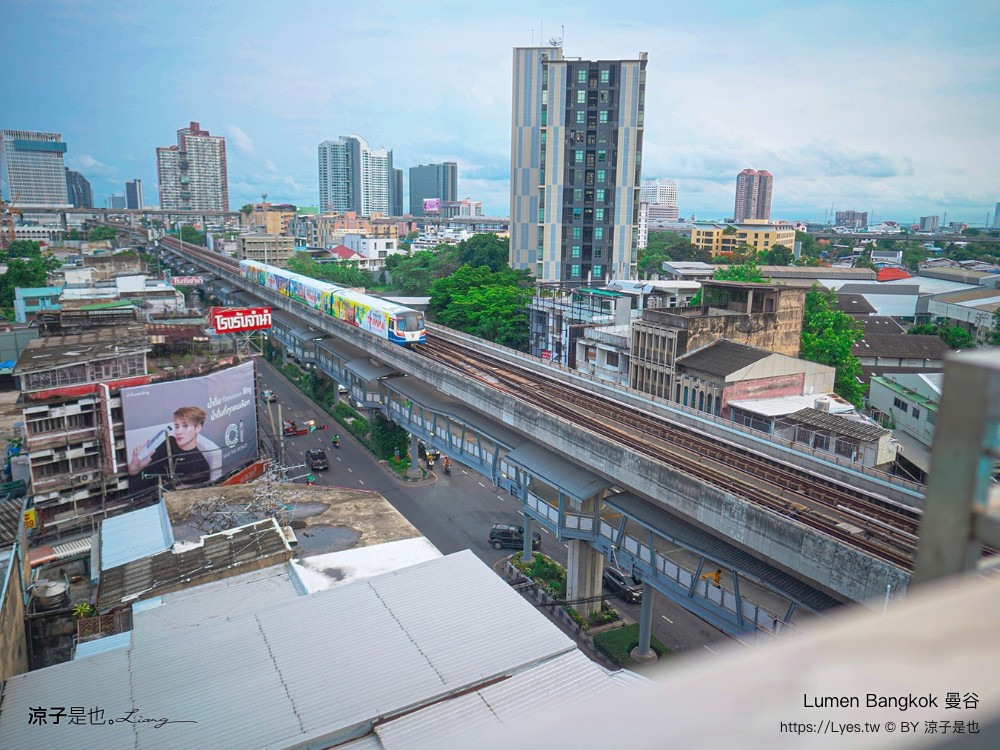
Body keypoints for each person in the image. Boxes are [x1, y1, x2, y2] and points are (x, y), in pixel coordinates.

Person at [129, 406, 211, 491]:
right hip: (130, 492)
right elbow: (133, 471)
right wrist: (135, 462)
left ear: (197, 428)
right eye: (177, 426)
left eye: (185, 426)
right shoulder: (169, 442)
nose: (178, 431)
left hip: (149, 498)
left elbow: (174, 495)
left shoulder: (201, 467)